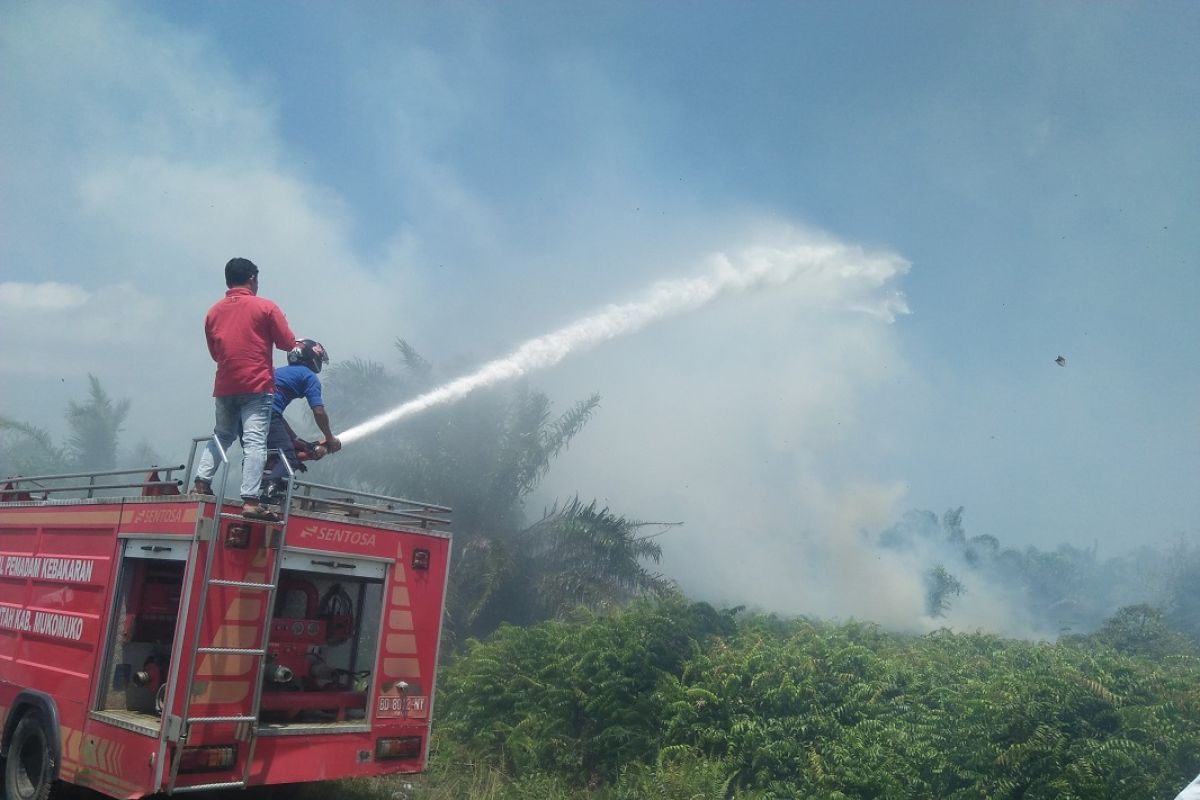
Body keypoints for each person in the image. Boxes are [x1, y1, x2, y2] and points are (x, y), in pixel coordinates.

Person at [193, 257, 297, 522]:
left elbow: (216, 353)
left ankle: (201, 482)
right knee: (254, 441)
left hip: (225, 384)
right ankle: (250, 500)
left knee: (222, 436)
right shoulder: (265, 307)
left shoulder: (213, 312)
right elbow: (287, 343)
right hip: (256, 385)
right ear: (252, 279)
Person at [258, 338, 342, 505]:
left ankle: (265, 485)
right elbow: (318, 411)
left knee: (275, 454)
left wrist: (303, 445)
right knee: (287, 457)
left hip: (251, 413)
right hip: (268, 415)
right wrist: (329, 438)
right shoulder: (309, 377)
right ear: (313, 357)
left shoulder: (278, 372)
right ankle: (271, 490)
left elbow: (277, 418)